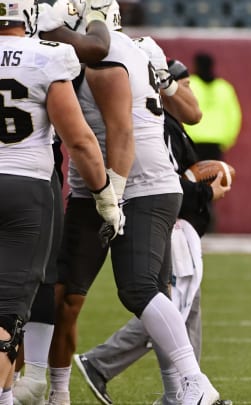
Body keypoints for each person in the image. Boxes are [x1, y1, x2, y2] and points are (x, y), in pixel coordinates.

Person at [46, 3, 221, 404]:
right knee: (67, 295)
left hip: (138, 184)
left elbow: (153, 123)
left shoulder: (115, 54)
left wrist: (115, 196)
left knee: (141, 288)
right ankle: (60, 392)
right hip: (96, 185)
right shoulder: (134, 50)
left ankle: (192, 383)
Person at [0, 1, 122, 403]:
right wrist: (105, 195)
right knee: (8, 309)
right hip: (27, 188)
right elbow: (82, 141)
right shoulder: (47, 58)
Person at [185, 52, 242, 162]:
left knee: (193, 177)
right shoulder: (224, 87)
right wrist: (227, 140)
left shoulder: (189, 84)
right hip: (217, 142)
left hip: (193, 140)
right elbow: (234, 116)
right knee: (215, 177)